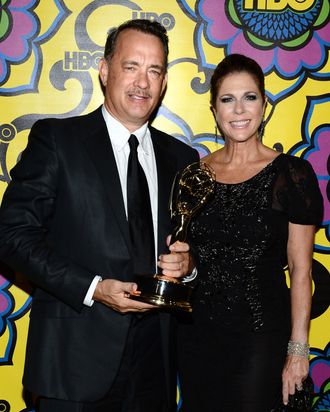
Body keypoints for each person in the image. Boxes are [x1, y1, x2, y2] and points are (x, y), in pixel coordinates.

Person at [0, 19, 199, 412]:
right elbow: (11, 235)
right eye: (131, 66)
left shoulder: (182, 159)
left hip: (155, 366)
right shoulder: (57, 141)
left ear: (163, 83)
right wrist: (93, 288)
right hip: (74, 362)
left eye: (154, 70)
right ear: (105, 70)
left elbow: (193, 246)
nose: (143, 82)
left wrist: (188, 266)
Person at [176, 54, 323, 412]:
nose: (239, 109)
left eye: (249, 97)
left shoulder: (292, 175)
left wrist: (298, 351)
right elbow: (189, 259)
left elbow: (301, 270)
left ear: (264, 104)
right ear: (214, 110)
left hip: (261, 335)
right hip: (197, 335)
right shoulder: (195, 175)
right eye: (228, 99)